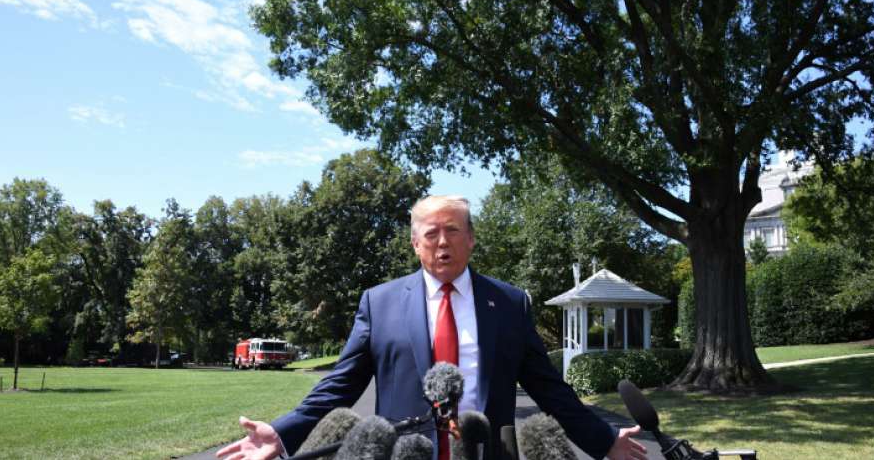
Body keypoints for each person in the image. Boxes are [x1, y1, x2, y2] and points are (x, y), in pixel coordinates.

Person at [217, 195, 646, 460]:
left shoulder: (510, 303)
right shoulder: (379, 303)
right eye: (431, 234)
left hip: (486, 453)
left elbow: (548, 387)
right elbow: (340, 385)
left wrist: (603, 439)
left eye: (453, 231)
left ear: (471, 239)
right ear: (415, 243)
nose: (443, 242)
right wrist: (282, 431)